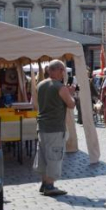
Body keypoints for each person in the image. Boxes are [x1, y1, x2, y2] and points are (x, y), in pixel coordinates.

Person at [35, 60, 75, 196]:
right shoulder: (60, 87)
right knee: (54, 155)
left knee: (43, 156)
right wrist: (71, 93)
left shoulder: (40, 84)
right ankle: (50, 186)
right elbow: (71, 104)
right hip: (55, 127)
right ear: (58, 70)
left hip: (42, 126)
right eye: (63, 70)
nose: (64, 73)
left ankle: (44, 183)